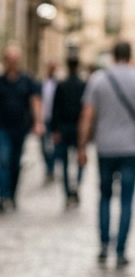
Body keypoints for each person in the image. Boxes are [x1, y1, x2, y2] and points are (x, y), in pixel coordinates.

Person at [78, 39, 135, 267]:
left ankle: (103, 246)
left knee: (104, 197)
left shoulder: (98, 80)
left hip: (105, 148)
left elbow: (87, 116)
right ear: (130, 56)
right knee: (127, 200)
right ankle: (120, 250)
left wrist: (82, 146)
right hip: (131, 149)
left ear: (112, 56)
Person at [0, 44, 42, 212]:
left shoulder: (27, 80)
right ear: (5, 60)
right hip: (1, 127)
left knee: (15, 163)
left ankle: (12, 195)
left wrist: (38, 122)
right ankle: (2, 196)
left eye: (15, 59)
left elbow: (35, 102)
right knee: (4, 160)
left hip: (20, 128)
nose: (12, 62)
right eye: (9, 58)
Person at [50, 57, 85, 207]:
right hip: (78, 127)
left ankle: (67, 191)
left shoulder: (61, 85)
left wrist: (55, 129)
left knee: (63, 162)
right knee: (80, 159)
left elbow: (55, 108)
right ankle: (76, 185)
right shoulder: (83, 85)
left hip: (64, 126)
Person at [41, 61, 59, 181]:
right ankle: (48, 167)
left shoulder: (59, 84)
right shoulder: (42, 84)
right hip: (44, 118)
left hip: (55, 119)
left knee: (54, 146)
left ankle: (51, 168)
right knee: (43, 146)